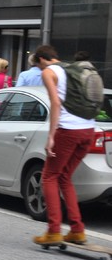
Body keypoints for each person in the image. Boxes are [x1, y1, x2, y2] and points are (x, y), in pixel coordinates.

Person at [32, 44, 94, 245]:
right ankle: (77, 230)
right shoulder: (72, 69)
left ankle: (54, 231)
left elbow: (56, 103)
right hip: (88, 130)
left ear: (41, 60)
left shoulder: (49, 72)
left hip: (68, 131)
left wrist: (51, 136)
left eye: (38, 66)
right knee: (65, 177)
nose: (40, 71)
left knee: (49, 177)